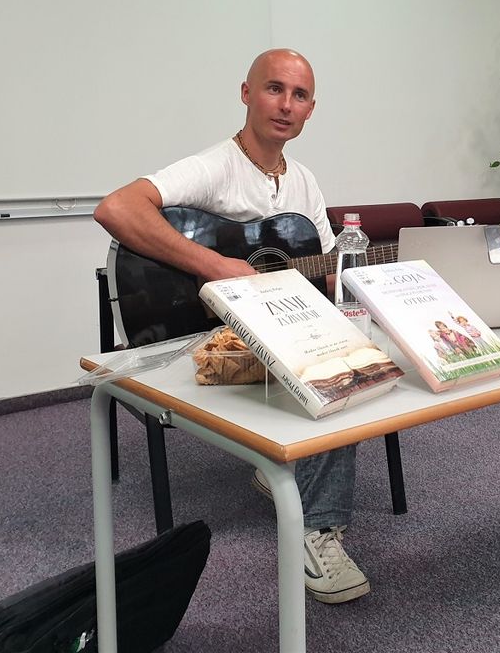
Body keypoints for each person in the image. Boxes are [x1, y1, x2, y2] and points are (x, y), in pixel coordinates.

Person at [94, 48, 369, 605]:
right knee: (332, 370)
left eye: (299, 95)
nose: (285, 105)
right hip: (203, 335)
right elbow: (116, 209)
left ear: (311, 109)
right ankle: (316, 530)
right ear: (246, 93)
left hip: (276, 333)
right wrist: (215, 266)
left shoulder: (305, 182)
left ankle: (286, 464)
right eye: (274, 89)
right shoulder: (214, 167)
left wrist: (372, 271)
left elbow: (326, 267)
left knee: (357, 352)